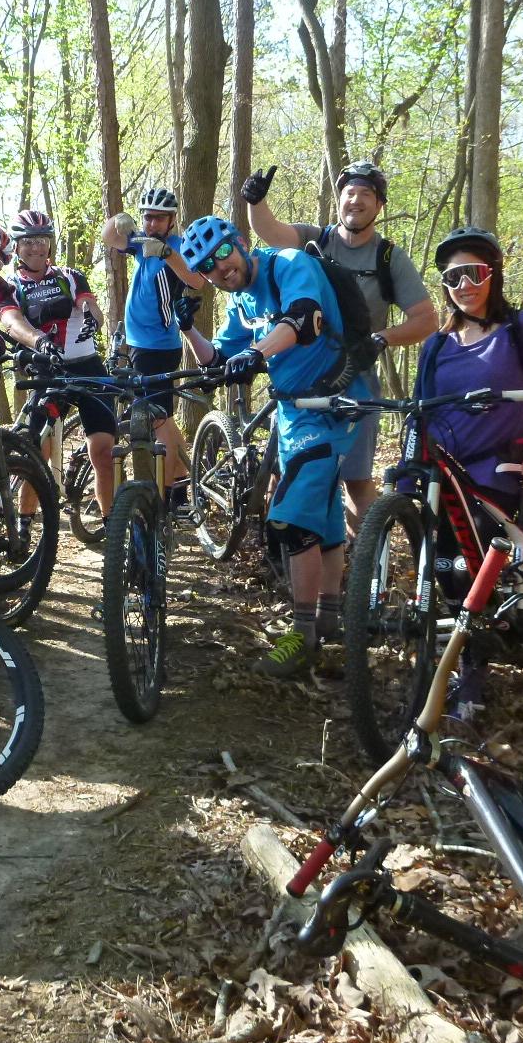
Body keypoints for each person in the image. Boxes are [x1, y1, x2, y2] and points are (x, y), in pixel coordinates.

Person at [177, 215, 367, 677]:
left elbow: (303, 320)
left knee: (288, 520)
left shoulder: (288, 263)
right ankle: (329, 616)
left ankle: (302, 636)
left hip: (333, 400)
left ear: (239, 243)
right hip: (292, 409)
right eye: (206, 268)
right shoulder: (240, 299)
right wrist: (189, 329)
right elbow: (220, 357)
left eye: (223, 253)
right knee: (320, 515)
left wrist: (257, 353)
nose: (220, 269)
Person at [415, 227, 523, 718]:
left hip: (497, 469)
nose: (464, 284)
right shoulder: (436, 345)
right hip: (442, 473)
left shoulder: (522, 329)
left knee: (473, 571)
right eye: (452, 276)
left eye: (475, 272)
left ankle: (471, 680)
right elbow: (419, 411)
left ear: (494, 275)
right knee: (442, 570)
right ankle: (449, 665)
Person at [242, 161, 436, 526]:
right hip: (301, 375)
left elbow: (427, 319)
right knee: (285, 469)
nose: (356, 200)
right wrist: (256, 202)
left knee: (357, 480)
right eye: (350, 192)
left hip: (355, 379)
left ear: (379, 206)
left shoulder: (389, 257)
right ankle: (281, 554)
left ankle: (368, 569)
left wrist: (381, 339)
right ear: (339, 199)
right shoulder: (317, 239)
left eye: (366, 194)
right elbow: (273, 233)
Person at [4, 209, 119, 520]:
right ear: (16, 247)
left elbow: (88, 302)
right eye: (27, 241)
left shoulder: (69, 275)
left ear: (50, 244)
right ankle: (26, 519)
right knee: (37, 450)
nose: (35, 247)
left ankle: (112, 523)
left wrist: (93, 317)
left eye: (41, 240)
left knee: (103, 450)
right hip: (47, 371)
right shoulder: (11, 285)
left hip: (88, 367)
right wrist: (39, 341)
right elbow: (12, 322)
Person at [100, 187, 208, 505]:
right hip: (137, 344)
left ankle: (163, 495)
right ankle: (179, 487)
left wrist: (166, 253)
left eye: (158, 218)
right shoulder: (142, 244)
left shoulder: (177, 247)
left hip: (158, 347)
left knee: (157, 423)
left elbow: (197, 280)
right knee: (165, 421)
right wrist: (119, 221)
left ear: (171, 220)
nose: (151, 224)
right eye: (147, 217)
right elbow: (110, 237)